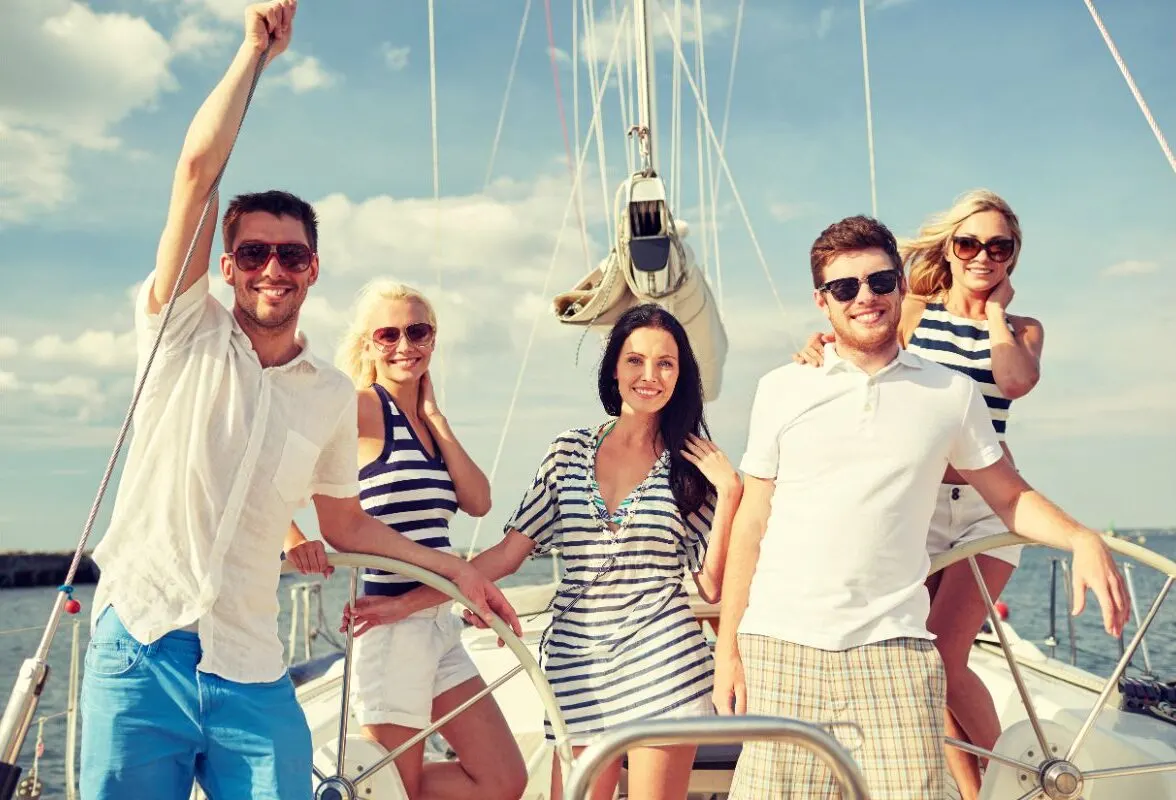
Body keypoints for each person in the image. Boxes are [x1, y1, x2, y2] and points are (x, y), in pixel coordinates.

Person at [79, 5, 518, 800]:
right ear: (228, 265)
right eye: (253, 253)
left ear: (314, 268)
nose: (271, 268)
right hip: (140, 644)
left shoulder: (328, 395)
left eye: (290, 254)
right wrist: (254, 54)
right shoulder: (182, 333)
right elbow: (195, 174)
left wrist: (456, 568)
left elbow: (345, 525)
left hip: (250, 662)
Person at [713, 215, 1128, 800]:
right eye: (845, 287)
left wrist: (1083, 537)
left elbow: (1007, 496)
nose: (866, 298)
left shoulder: (949, 394)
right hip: (782, 649)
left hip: (896, 654)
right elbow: (753, 521)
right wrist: (729, 649)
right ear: (822, 302)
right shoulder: (782, 387)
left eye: (880, 282)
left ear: (901, 286)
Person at [792, 190, 1040, 798]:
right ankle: (971, 789)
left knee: (944, 657)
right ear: (950, 250)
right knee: (922, 662)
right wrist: (816, 347)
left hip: (987, 509)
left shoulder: (1024, 330)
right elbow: (857, 334)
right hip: (917, 507)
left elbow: (1013, 380)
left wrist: (997, 316)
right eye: (970, 243)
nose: (983, 255)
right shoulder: (914, 310)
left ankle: (1024, 779)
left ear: (1013, 257)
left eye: (999, 246)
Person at [463, 304, 742, 800]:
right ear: (613, 367)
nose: (649, 376)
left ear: (681, 375)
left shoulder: (693, 465)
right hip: (576, 663)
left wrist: (730, 494)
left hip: (664, 660)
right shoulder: (567, 452)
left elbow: (711, 584)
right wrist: (414, 595)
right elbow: (507, 554)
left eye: (666, 363)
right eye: (635, 360)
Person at [284, 280, 526, 799]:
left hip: (438, 622)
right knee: (390, 787)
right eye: (388, 334)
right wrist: (291, 536)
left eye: (417, 332)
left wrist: (436, 418)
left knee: (503, 780)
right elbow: (273, 462)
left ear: (433, 339)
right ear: (368, 344)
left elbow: (479, 500)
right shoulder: (361, 408)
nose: (404, 346)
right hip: (388, 627)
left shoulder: (426, 422)